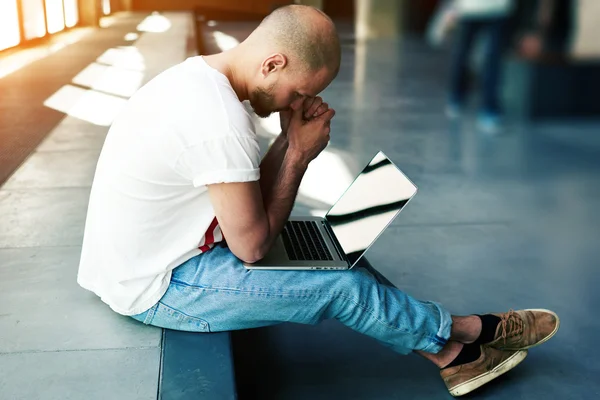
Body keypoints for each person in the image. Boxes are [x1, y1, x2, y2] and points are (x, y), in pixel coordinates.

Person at [77, 5, 559, 397]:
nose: (295, 102)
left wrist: (288, 140)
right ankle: (469, 332)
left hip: (162, 255)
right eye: (300, 91)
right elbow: (250, 247)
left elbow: (244, 195)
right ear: (273, 64)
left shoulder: (200, 83)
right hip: (160, 286)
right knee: (341, 288)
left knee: (335, 250)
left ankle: (453, 358)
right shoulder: (219, 121)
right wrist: (299, 158)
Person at [445, 0, 515, 133]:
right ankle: (488, 110)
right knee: (490, 59)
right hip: (492, 8)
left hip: (475, 7)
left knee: (466, 53)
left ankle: (458, 98)